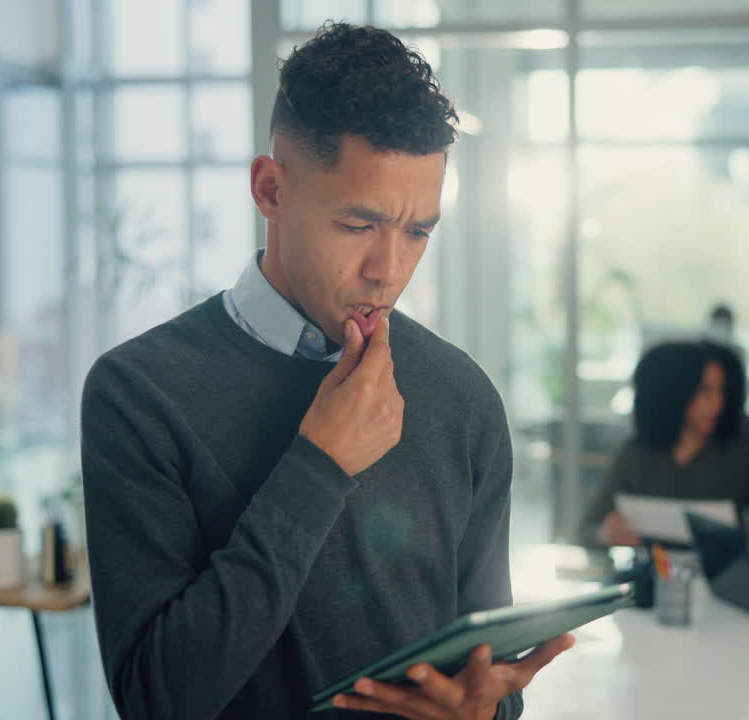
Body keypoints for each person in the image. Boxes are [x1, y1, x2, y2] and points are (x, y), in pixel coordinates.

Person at [81, 23, 571, 720]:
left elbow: (479, 675)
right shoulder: (138, 393)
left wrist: (486, 712)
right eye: (358, 224)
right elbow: (158, 699)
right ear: (271, 190)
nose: (390, 269)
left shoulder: (463, 398)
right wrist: (319, 464)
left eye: (417, 231)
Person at [578, 340, 749, 547]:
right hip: (651, 577)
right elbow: (586, 529)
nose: (717, 402)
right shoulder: (636, 453)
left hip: (721, 580)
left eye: (721, 391)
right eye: (704, 390)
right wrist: (606, 534)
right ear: (676, 391)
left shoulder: (739, 454)